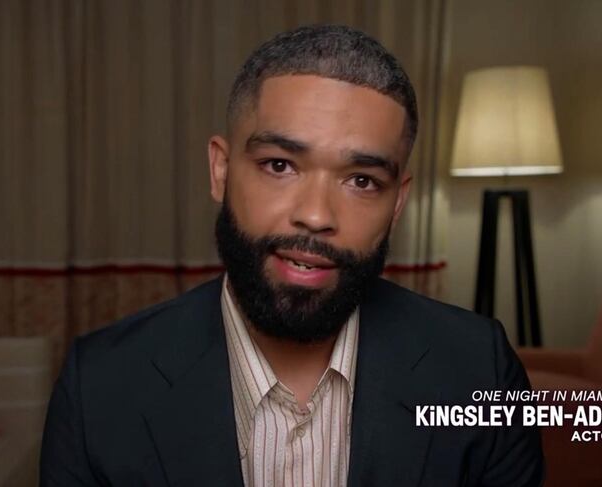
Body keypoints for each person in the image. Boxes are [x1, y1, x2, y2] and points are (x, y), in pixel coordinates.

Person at [40, 24, 544, 487]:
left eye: (362, 180)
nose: (315, 215)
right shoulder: (100, 386)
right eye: (279, 165)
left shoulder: (482, 369)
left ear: (398, 203)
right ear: (220, 169)